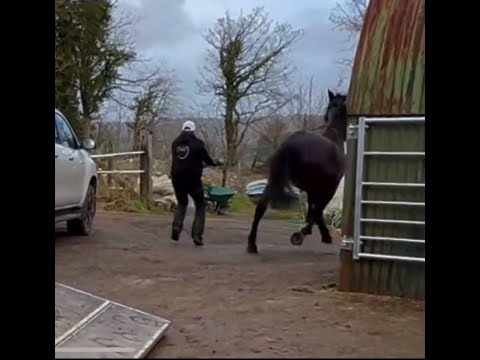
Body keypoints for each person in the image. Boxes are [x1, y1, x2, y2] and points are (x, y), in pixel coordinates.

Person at [170, 120, 221, 246]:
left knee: (182, 203)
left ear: (182, 129)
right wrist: (215, 163)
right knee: (201, 205)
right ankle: (197, 235)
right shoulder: (198, 144)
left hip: (177, 178)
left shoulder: (175, 143)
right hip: (193, 180)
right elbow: (206, 159)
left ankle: (176, 227)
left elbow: (184, 159)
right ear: (193, 130)